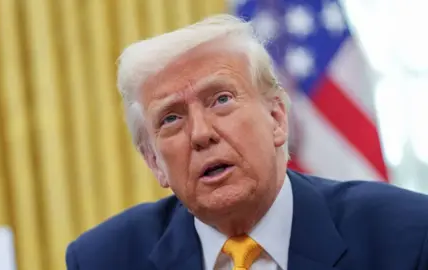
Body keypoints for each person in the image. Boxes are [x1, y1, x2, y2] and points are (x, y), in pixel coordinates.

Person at [65, 14, 428, 270]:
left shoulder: (404, 235)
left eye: (221, 99)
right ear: (154, 161)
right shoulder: (103, 258)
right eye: (171, 118)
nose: (201, 133)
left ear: (276, 119)